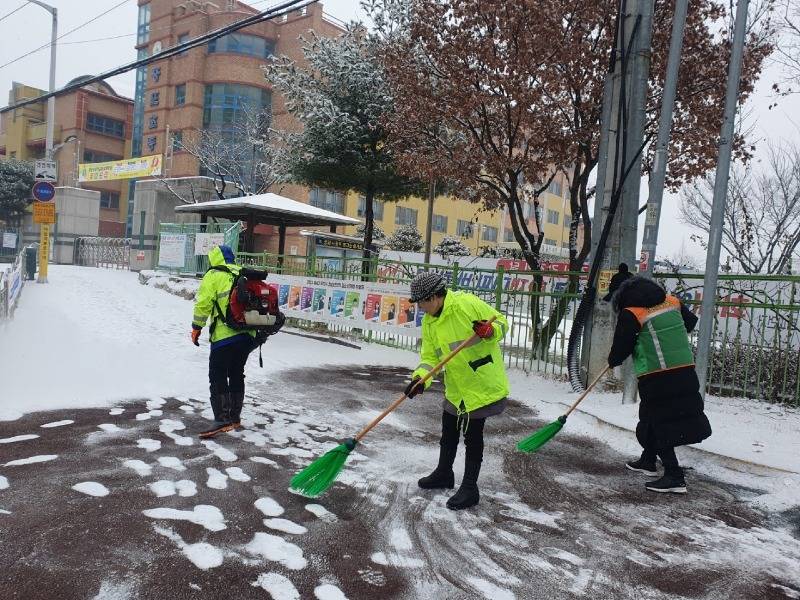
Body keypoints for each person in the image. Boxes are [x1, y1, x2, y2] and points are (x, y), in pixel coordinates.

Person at [404, 271, 510, 510]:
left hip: (481, 382)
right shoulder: (430, 322)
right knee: (449, 429)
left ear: (435, 297)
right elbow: (429, 357)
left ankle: (470, 487)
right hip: (457, 386)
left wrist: (490, 331)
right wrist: (420, 379)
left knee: (473, 436)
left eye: (422, 302)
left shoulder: (465, 304)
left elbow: (502, 322)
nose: (420, 307)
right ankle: (444, 473)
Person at [608, 276, 712, 494]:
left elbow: (621, 348)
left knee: (659, 422)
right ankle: (648, 460)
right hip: (684, 368)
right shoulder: (672, 302)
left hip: (658, 374)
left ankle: (674, 475)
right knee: (650, 416)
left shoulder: (633, 312)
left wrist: (613, 360)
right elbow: (691, 323)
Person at [191, 245, 271, 438]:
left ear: (214, 259)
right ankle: (234, 417)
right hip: (248, 334)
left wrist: (196, 327)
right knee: (236, 372)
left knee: (217, 374)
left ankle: (221, 419)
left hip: (224, 336)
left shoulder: (214, 275)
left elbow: (204, 303)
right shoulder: (242, 273)